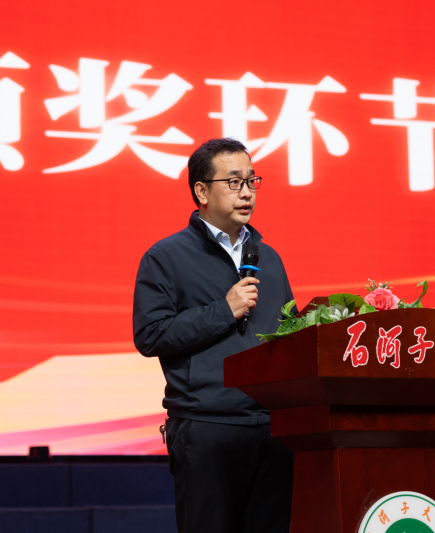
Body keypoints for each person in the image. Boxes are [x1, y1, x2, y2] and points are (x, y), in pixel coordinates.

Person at [133, 138, 295, 533]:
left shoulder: (268, 257)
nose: (247, 192)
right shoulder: (166, 257)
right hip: (207, 428)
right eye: (234, 182)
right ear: (202, 192)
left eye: (252, 181)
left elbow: (288, 334)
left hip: (273, 430)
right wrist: (224, 310)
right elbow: (150, 335)